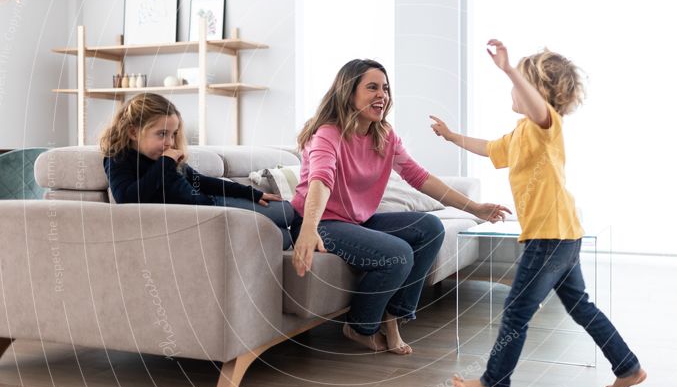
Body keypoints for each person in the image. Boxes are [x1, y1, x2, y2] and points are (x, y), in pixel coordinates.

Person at [430, 39, 646, 387]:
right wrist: (452, 137)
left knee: (516, 311)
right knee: (580, 306)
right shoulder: (521, 133)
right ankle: (627, 367)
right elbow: (489, 148)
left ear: (537, 92)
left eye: (520, 86)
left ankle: (494, 383)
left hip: (550, 237)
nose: (513, 91)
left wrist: (510, 69)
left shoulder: (548, 125)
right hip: (561, 235)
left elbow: (538, 108)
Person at [291, 58, 511, 355]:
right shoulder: (329, 133)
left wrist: (475, 208)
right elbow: (321, 179)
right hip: (323, 224)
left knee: (430, 228)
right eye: (372, 87)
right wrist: (308, 228)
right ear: (348, 92)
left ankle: (392, 317)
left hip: (357, 221)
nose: (382, 95)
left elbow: (419, 177)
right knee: (398, 254)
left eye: (385, 88)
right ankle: (360, 327)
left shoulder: (384, 135)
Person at [100, 93, 294, 249]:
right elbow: (127, 199)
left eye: (173, 134)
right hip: (208, 217)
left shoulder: (163, 158)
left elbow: (201, 181)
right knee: (284, 237)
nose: (169, 142)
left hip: (214, 203)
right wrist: (165, 163)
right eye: (161, 134)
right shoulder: (118, 159)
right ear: (133, 132)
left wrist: (251, 193)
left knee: (287, 210)